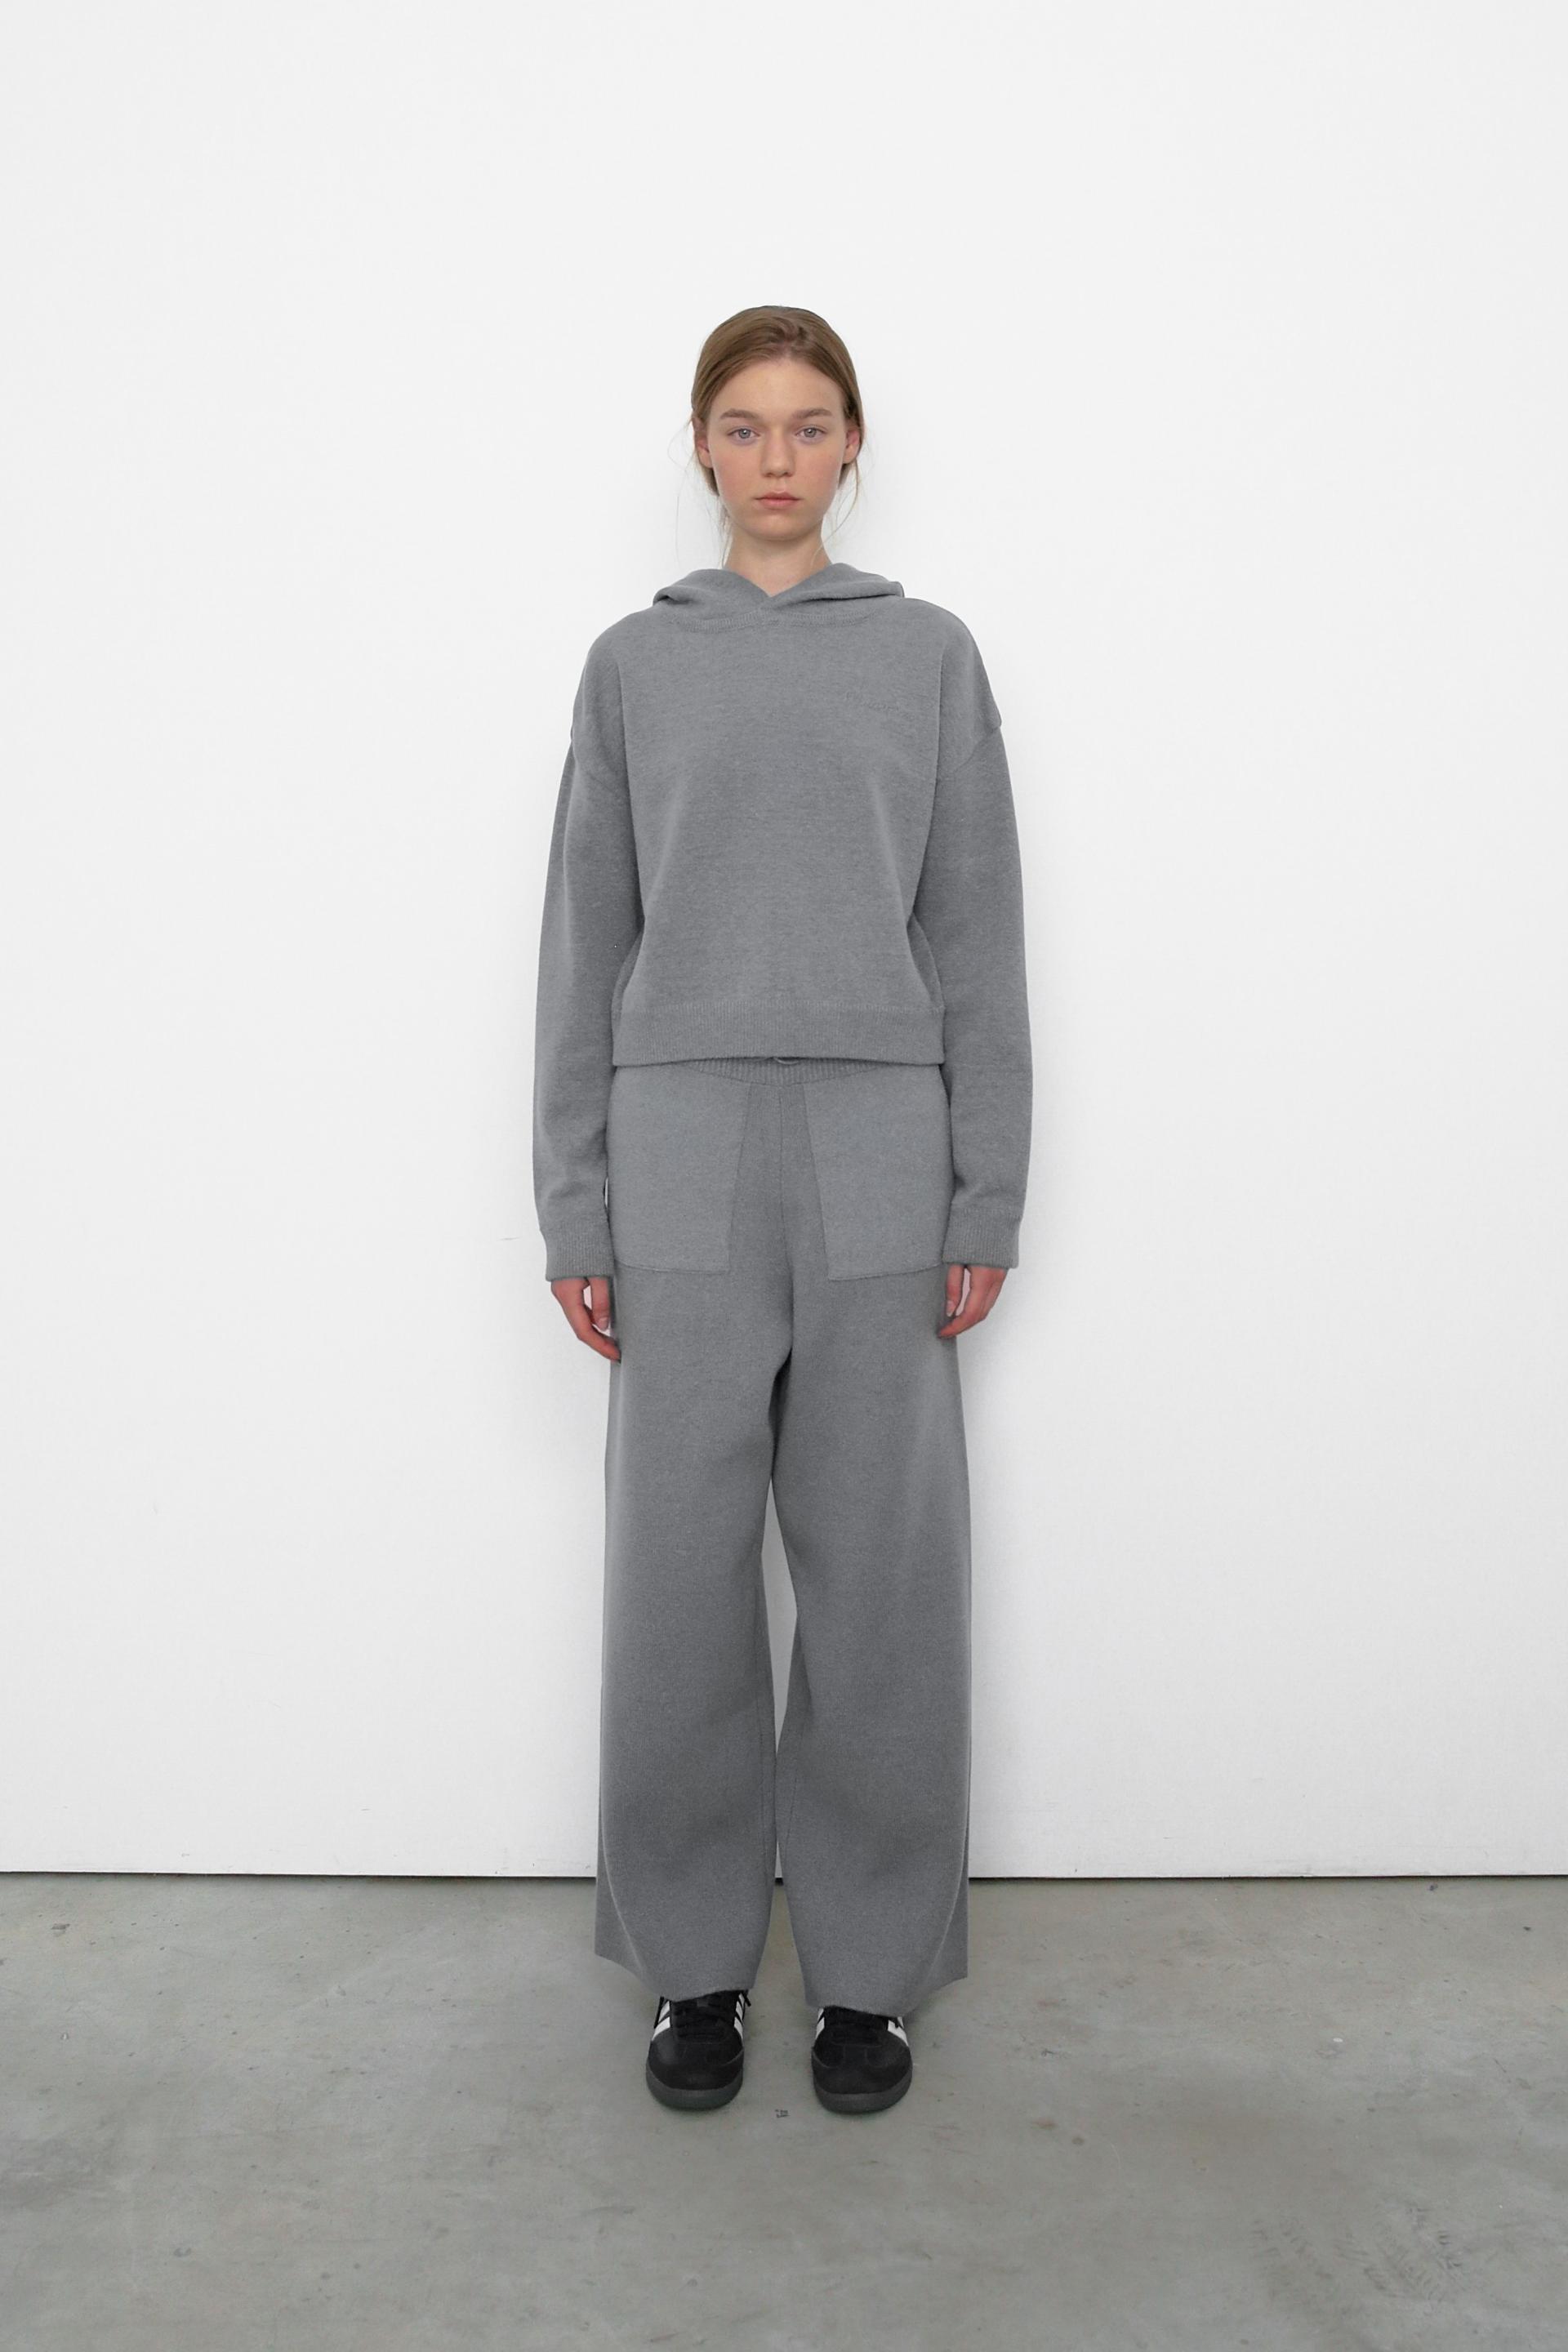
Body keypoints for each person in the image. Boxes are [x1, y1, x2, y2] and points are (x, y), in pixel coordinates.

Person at [532, 305, 1032, 2116]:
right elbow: (584, 942)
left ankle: (871, 1976)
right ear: (701, 445)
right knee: (677, 1574)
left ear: (852, 447)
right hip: (678, 1141)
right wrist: (575, 1205)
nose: (776, 457)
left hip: (883, 1144)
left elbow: (976, 936)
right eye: (744, 426)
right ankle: (694, 1966)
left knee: (882, 1576)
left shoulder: (927, 657)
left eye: (809, 426)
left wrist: (989, 1188)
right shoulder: (631, 668)